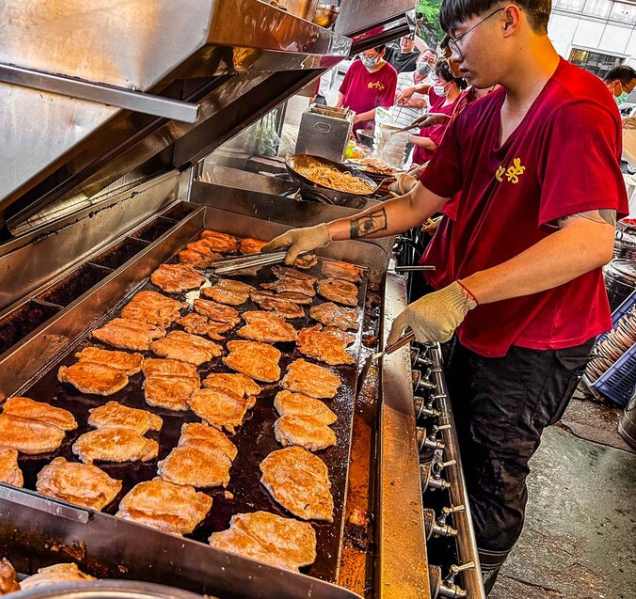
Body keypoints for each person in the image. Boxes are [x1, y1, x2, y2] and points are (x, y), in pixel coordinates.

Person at [262, 0, 627, 592]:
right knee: (448, 449)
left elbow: (589, 239)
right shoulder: (480, 114)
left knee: (489, 476)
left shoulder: (578, 106)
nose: (451, 52)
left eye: (458, 34)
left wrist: (461, 294)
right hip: (478, 317)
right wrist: (322, 232)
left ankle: (464, 583)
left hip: (537, 337)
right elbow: (413, 206)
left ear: (509, 18)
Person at [409, 60, 467, 165]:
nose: (435, 84)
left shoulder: (455, 109)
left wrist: (406, 137)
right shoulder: (442, 98)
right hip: (417, 161)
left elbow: (433, 144)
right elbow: (427, 89)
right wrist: (413, 89)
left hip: (429, 166)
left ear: (451, 83)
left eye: (439, 81)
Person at [335, 45, 398, 135]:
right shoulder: (355, 65)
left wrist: (358, 118)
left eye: (370, 56)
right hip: (345, 122)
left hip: (367, 130)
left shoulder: (390, 74)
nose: (365, 58)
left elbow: (384, 108)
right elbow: (342, 91)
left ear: (382, 53)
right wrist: (335, 109)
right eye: (363, 54)